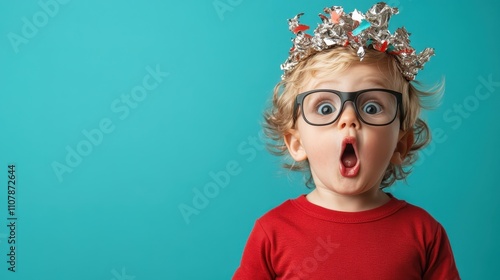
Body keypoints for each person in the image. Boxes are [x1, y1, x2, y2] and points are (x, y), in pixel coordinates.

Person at [233, 2, 460, 279]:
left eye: (372, 108)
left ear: (401, 144)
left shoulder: (424, 233)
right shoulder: (273, 232)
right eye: (325, 108)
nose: (349, 118)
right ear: (297, 143)